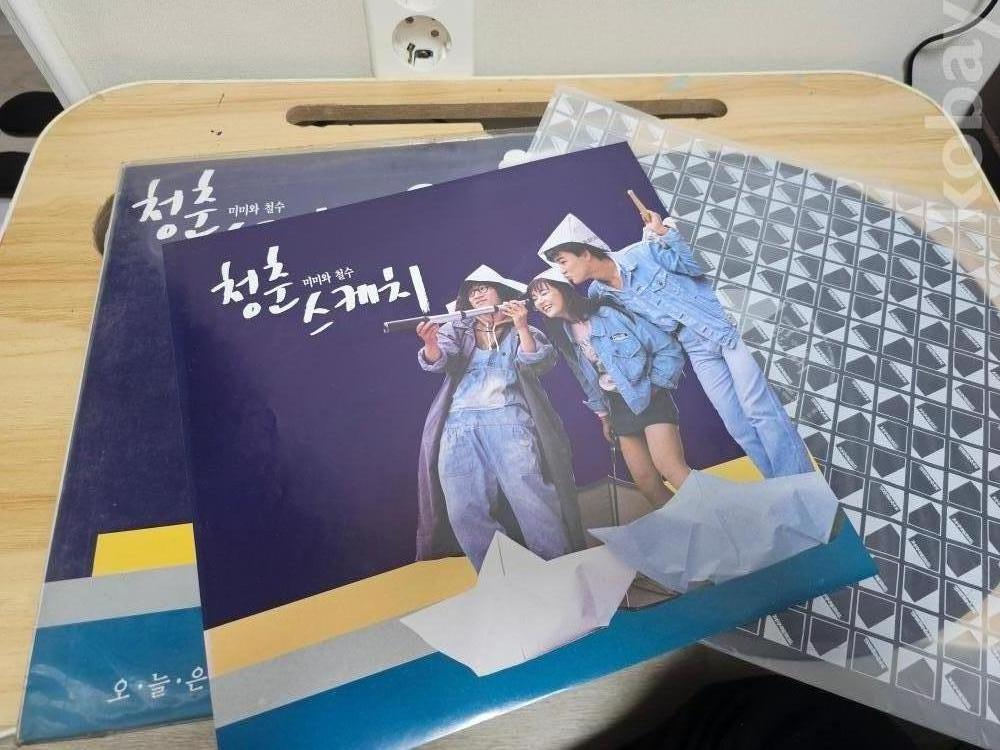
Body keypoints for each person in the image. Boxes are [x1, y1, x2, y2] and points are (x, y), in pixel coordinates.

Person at [537, 212, 812, 478]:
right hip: (695, 346)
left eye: (563, 261)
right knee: (737, 423)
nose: (562, 270)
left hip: (723, 326)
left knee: (759, 409)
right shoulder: (598, 293)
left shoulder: (641, 253)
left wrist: (666, 234)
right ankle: (780, 485)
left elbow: (696, 266)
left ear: (585, 253)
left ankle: (800, 486)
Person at [414, 264, 585, 569]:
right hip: (458, 426)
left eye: (484, 288)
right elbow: (439, 361)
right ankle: (502, 577)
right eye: (472, 291)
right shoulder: (457, 329)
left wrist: (521, 326)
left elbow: (538, 362)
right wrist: (430, 343)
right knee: (464, 510)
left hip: (510, 422)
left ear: (501, 293)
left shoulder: (524, 329)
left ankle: (561, 571)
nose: (477, 294)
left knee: (532, 499)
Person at [528, 266, 690, 506]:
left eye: (544, 293)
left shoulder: (608, 314)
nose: (540, 302)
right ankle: (692, 525)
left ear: (563, 290)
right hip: (617, 406)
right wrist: (604, 417)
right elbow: (586, 380)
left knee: (670, 467)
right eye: (534, 299)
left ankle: (723, 520)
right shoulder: (564, 335)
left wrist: (656, 386)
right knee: (646, 484)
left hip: (649, 395)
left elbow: (667, 348)